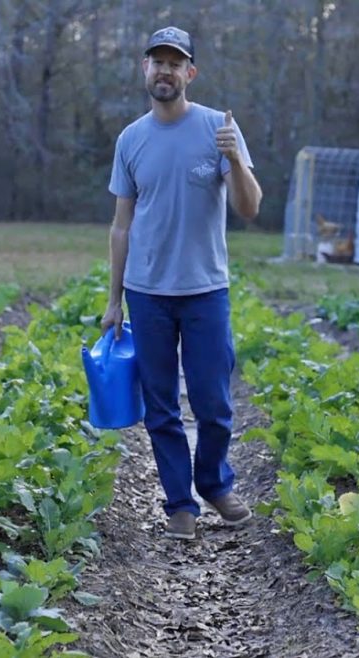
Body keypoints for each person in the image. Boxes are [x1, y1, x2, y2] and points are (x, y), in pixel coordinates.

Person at [101, 25, 263, 540]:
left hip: (205, 290)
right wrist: (114, 300)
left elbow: (249, 207)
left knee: (213, 402)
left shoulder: (219, 128)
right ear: (144, 69)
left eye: (175, 63)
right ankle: (179, 505)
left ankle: (214, 484)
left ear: (190, 73)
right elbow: (121, 225)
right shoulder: (131, 139)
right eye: (158, 62)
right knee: (162, 407)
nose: (165, 71)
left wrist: (233, 158)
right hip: (147, 293)